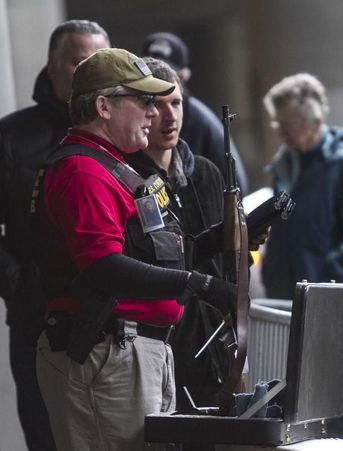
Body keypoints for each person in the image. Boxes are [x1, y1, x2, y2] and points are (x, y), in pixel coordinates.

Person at [34, 48, 239, 451]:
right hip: (106, 355)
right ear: (103, 106)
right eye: (143, 100)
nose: (154, 112)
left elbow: (152, 254)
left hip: (131, 354)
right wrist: (198, 284)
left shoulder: (111, 165)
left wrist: (216, 244)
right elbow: (103, 266)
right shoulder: (83, 171)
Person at [0, 19, 109, 451]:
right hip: (35, 316)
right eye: (80, 63)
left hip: (108, 318)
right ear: (51, 66)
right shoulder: (12, 135)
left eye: (99, 64)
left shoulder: (118, 133)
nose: (90, 76)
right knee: (45, 435)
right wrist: (16, 282)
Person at [260, 73, 343, 437]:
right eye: (277, 122)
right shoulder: (286, 163)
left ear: (313, 121)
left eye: (287, 123)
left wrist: (327, 281)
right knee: (297, 403)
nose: (280, 131)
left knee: (336, 404)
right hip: (292, 299)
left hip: (334, 304)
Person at [126, 57, 232, 414]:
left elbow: (226, 262)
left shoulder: (206, 172)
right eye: (156, 105)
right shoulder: (129, 179)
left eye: (176, 102)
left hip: (218, 338)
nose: (170, 116)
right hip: (159, 341)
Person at [140, 31, 248, 193]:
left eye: (176, 103)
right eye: (152, 73)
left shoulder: (202, 118)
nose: (170, 116)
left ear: (183, 78)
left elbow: (236, 184)